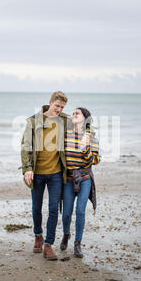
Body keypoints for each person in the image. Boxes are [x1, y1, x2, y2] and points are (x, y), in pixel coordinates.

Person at [20, 91, 70, 261]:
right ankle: (38, 236)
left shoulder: (64, 120)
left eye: (62, 107)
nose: (59, 109)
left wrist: (87, 133)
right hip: (37, 173)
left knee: (54, 209)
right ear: (49, 103)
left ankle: (48, 245)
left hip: (56, 173)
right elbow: (25, 146)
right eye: (57, 106)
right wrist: (27, 168)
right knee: (36, 207)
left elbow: (86, 124)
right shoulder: (33, 121)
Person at [60, 107, 100, 258]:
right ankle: (66, 234)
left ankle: (77, 244)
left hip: (84, 179)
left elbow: (96, 160)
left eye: (78, 113)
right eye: (73, 113)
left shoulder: (92, 138)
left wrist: (85, 149)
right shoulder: (65, 136)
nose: (74, 114)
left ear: (85, 118)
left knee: (81, 211)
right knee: (66, 213)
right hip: (69, 179)